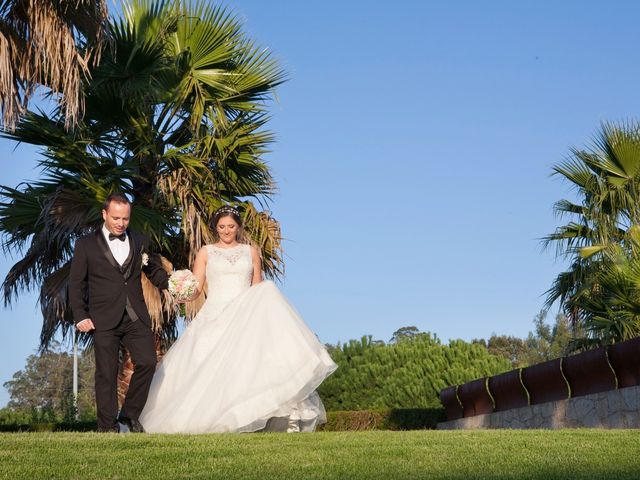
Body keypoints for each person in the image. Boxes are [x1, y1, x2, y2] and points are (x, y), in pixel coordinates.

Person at [139, 205, 337, 433]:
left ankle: (267, 418)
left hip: (246, 312)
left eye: (231, 226)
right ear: (215, 228)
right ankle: (212, 419)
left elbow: (258, 287)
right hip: (216, 312)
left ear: (238, 227)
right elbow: (197, 287)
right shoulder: (206, 252)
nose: (226, 231)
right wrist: (182, 291)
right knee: (210, 366)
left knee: (253, 363)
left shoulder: (250, 252)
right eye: (222, 226)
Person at [69, 193, 169, 433]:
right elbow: (76, 282)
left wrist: (173, 284)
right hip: (103, 317)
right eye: (115, 218)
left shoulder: (139, 240)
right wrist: (80, 315)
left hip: (135, 315)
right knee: (106, 373)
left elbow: (153, 269)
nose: (120, 223)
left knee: (147, 361)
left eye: (125, 218)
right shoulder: (86, 244)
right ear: (105, 214)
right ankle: (107, 427)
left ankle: (129, 414)